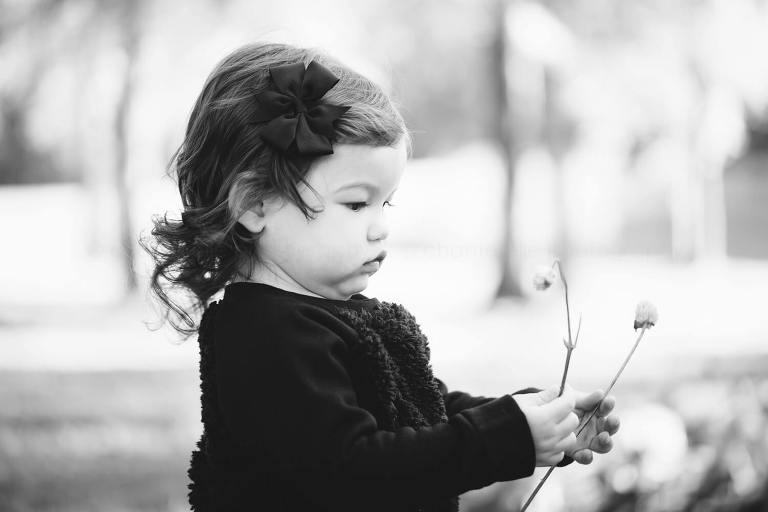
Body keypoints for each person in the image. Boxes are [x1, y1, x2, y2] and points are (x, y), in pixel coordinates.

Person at [141, 42, 620, 512]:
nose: (381, 226)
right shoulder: (263, 337)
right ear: (254, 203)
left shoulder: (330, 316)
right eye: (356, 203)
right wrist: (499, 437)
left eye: (384, 202)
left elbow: (418, 411)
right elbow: (354, 471)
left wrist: (528, 418)